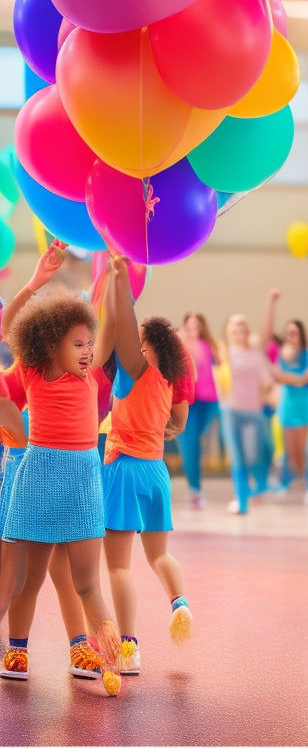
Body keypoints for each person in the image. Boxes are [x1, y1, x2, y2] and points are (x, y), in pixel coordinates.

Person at [0, 240, 121, 696]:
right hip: (39, 476)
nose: (88, 351)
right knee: (30, 580)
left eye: (90, 343)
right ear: (52, 346)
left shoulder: (91, 375)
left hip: (85, 479)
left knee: (88, 581)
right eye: (78, 345)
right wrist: (35, 282)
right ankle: (16, 649)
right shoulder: (35, 370)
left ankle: (101, 648)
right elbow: (8, 327)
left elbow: (101, 318)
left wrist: (111, 274)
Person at [101, 256, 193, 675]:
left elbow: (121, 325)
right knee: (159, 556)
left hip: (125, 470)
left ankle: (129, 648)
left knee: (119, 566)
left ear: (148, 347)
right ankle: (180, 601)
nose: (132, 344)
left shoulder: (136, 369)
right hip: (157, 472)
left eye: (139, 340)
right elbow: (175, 423)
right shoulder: (166, 382)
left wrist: (119, 281)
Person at [263, 288, 308, 505]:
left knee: (304, 450)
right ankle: (285, 482)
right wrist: (289, 378)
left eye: (295, 333)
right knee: (287, 449)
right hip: (286, 405)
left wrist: (287, 377)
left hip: (304, 406)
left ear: (301, 335)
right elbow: (278, 376)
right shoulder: (280, 353)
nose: (291, 337)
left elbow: (305, 378)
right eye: (288, 333)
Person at [218, 314, 275, 514]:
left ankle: (258, 486)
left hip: (253, 412)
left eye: (242, 325)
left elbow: (267, 382)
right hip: (230, 411)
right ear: (228, 331)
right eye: (234, 325)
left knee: (254, 455)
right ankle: (241, 501)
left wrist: (268, 394)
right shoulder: (223, 354)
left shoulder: (256, 355)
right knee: (238, 459)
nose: (238, 329)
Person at [177, 311, 221, 510]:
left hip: (210, 401)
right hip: (188, 401)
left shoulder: (210, 346)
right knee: (190, 446)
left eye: (197, 324)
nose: (193, 328)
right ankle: (195, 489)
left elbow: (222, 368)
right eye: (190, 324)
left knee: (199, 443)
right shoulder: (180, 345)